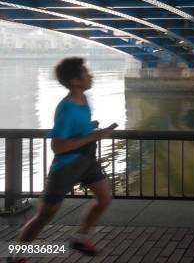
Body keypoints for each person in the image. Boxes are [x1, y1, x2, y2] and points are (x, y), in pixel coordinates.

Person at [8, 58, 118, 263]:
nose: (91, 75)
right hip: (66, 166)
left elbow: (78, 129)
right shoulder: (66, 109)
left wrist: (91, 127)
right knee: (43, 217)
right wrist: (96, 136)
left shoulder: (83, 99)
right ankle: (16, 255)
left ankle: (80, 238)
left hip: (87, 160)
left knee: (104, 199)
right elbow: (58, 146)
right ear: (76, 81)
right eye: (86, 72)